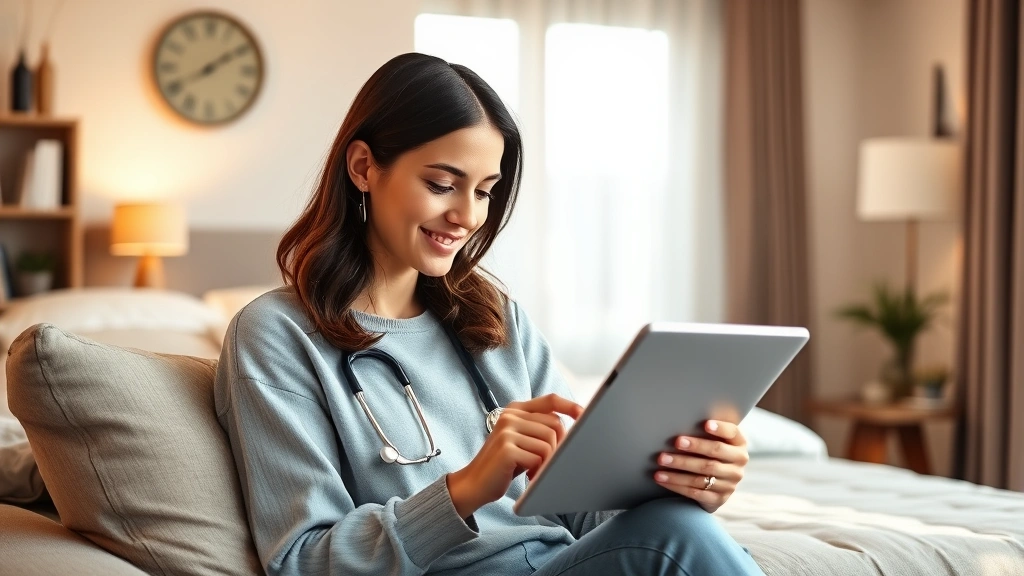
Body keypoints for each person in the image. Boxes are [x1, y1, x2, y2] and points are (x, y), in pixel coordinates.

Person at [215, 52, 763, 576]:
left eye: (484, 191)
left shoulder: (497, 320)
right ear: (363, 167)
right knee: (676, 539)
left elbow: (582, 514)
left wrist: (686, 483)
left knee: (677, 523)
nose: (467, 216)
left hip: (562, 564)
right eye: (441, 184)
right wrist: (466, 488)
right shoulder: (277, 336)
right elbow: (304, 561)